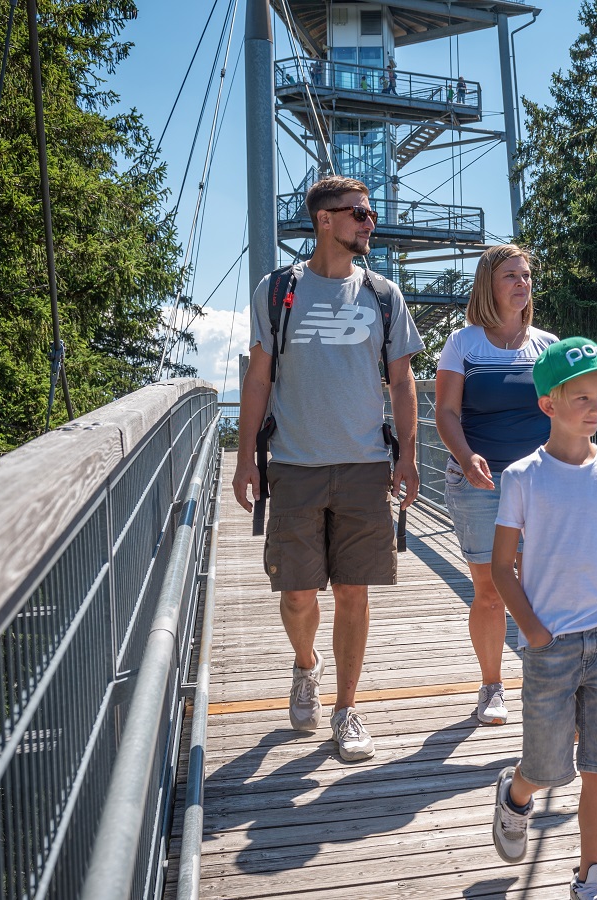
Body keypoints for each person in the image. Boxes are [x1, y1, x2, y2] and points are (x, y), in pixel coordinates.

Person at [232, 175, 423, 763]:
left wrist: (410, 455)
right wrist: (245, 458)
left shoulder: (384, 296)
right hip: (293, 463)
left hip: (365, 464)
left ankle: (345, 708)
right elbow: (259, 377)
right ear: (324, 220)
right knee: (295, 596)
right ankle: (306, 666)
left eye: (368, 214)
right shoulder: (278, 292)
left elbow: (403, 381)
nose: (369, 223)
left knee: (353, 592)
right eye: (358, 214)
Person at [490, 338, 597, 899]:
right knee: (547, 764)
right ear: (548, 405)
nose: (595, 409)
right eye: (581, 397)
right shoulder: (522, 478)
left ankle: (590, 877)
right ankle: (516, 794)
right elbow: (502, 567)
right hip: (550, 645)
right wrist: (534, 631)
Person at [435, 245, 556, 725]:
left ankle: (546, 683)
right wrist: (466, 459)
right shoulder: (464, 344)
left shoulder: (548, 346)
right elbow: (445, 412)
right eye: (511, 275)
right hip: (479, 484)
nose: (522, 284)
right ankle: (491, 687)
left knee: (537, 587)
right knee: (488, 589)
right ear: (490, 283)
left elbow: (568, 410)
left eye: (526, 275)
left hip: (542, 484)